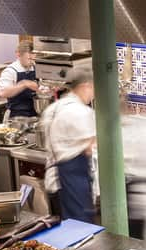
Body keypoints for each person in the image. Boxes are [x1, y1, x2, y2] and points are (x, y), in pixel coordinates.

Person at [42, 67, 96, 222]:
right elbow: (89, 147)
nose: (93, 94)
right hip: (72, 183)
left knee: (63, 231)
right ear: (86, 86)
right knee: (81, 234)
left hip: (54, 182)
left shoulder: (55, 107)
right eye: (93, 88)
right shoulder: (80, 112)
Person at [0, 41, 38, 118]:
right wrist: (24, 84)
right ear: (19, 55)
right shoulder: (10, 71)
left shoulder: (35, 68)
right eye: (29, 58)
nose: (32, 62)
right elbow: (3, 93)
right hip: (17, 115)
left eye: (34, 59)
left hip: (35, 112)